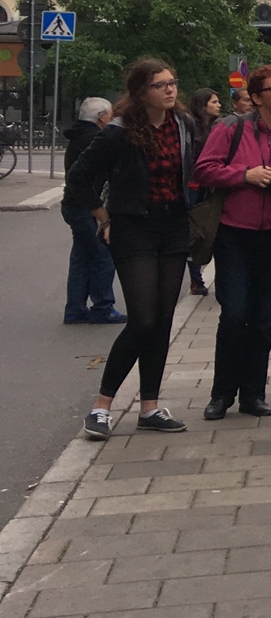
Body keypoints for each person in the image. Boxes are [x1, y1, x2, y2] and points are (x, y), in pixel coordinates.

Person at [65, 61, 196, 439]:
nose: (170, 90)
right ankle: (102, 406)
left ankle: (150, 407)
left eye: (173, 82)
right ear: (142, 92)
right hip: (133, 227)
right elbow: (79, 178)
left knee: (163, 319)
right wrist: (103, 217)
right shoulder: (119, 133)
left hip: (173, 227)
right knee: (142, 318)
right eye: (160, 85)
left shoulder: (182, 126)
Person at [195, 64, 271, 421]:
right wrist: (242, 175)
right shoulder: (230, 129)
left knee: (263, 319)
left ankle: (253, 394)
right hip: (235, 232)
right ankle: (221, 394)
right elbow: (203, 169)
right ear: (258, 97)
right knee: (234, 314)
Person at [60, 96, 121, 326]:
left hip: (73, 205)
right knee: (102, 255)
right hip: (87, 207)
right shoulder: (96, 139)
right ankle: (103, 307)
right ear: (101, 117)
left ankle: (75, 308)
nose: (112, 118)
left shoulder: (78, 137)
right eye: (110, 114)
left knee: (81, 256)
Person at [182, 88, 223, 297]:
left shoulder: (217, 127)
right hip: (193, 186)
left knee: (210, 228)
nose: (219, 105)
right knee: (195, 228)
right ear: (203, 105)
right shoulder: (191, 127)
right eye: (214, 102)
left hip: (211, 186)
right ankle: (196, 279)